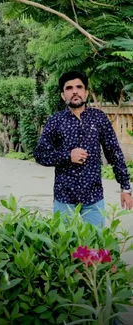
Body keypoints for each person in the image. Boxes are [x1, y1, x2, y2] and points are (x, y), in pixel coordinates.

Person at [34, 71, 133, 227]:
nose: (75, 91)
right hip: (64, 197)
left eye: (79, 87)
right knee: (64, 247)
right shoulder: (55, 121)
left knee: (95, 246)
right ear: (62, 95)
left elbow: (114, 152)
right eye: (69, 88)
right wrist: (67, 156)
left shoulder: (98, 118)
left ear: (86, 93)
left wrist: (126, 188)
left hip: (93, 197)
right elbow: (40, 154)